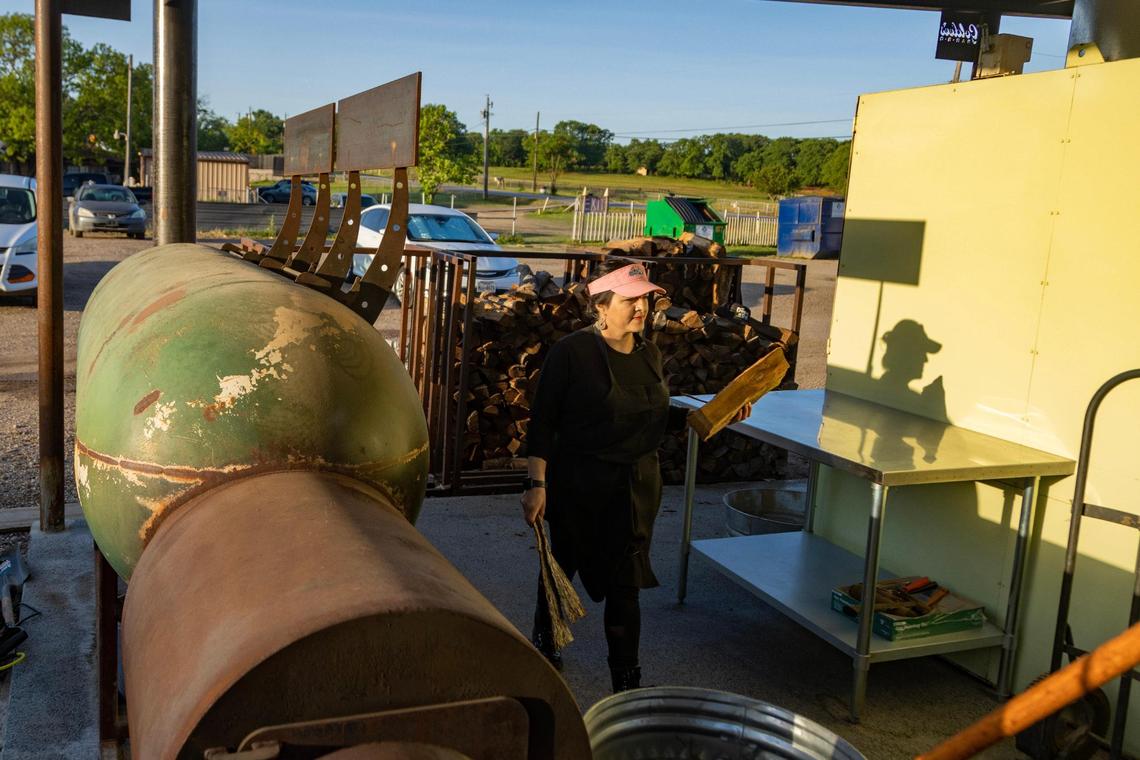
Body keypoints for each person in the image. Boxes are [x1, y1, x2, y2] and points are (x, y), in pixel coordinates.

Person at [522, 261, 670, 693]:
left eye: (644, 299)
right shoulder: (572, 353)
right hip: (579, 485)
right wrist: (537, 485)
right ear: (602, 307)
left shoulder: (650, 353)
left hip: (635, 490)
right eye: (631, 300)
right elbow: (543, 422)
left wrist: (712, 416)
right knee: (563, 566)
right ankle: (545, 640)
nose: (641, 307)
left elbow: (657, 416)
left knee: (627, 585)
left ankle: (626, 682)